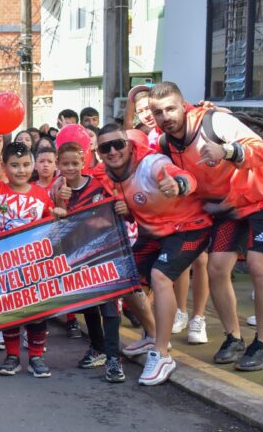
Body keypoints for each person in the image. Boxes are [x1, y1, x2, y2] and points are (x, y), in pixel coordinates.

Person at [149, 81, 263, 371]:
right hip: (228, 207)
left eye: (171, 108)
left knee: (260, 266)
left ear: (183, 105)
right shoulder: (166, 143)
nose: (166, 117)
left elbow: (261, 151)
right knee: (216, 268)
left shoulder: (214, 121)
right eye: (158, 112)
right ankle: (233, 337)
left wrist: (227, 151)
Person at [93, 123, 212, 385]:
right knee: (121, 277)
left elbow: (179, 175)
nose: (113, 151)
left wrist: (179, 184)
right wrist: (59, 188)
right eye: (105, 147)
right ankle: (151, 335)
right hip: (155, 233)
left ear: (128, 144)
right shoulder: (104, 172)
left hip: (190, 228)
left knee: (159, 276)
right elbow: (79, 177)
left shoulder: (150, 163)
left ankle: (161, 354)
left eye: (118, 144)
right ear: (99, 152)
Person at [0, 136, 59, 379]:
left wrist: (58, 212)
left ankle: (36, 356)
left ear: (32, 165)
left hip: (34, 268)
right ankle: (12, 356)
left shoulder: (41, 195)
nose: (20, 170)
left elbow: (50, 221)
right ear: (4, 167)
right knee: (9, 313)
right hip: (4, 268)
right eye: (14, 165)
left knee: (36, 314)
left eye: (25, 165)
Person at [54, 142, 124, 382]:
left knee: (109, 305)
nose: (71, 168)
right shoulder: (56, 190)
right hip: (77, 255)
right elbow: (56, 224)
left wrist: (122, 207)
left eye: (75, 163)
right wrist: (60, 204)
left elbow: (116, 210)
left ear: (83, 162)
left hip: (106, 252)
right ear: (58, 164)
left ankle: (114, 358)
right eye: (65, 164)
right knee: (88, 303)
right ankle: (98, 348)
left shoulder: (99, 184)